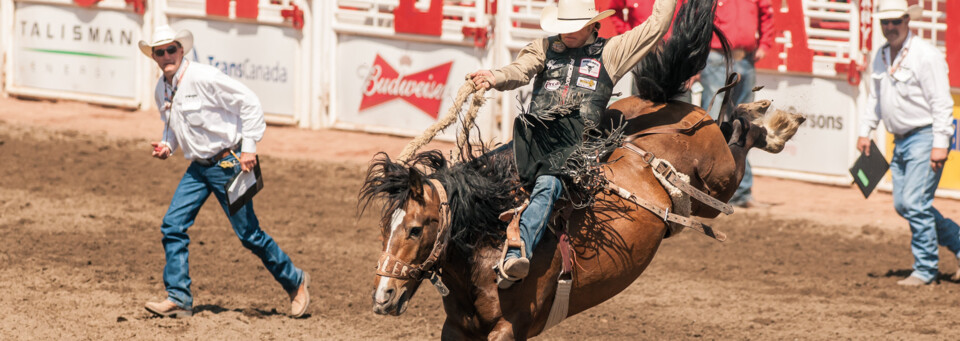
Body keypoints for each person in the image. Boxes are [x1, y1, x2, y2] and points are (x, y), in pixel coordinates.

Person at [468, 0, 677, 288]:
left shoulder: (611, 52)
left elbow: (656, 26)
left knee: (549, 184)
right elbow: (520, 69)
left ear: (593, 25)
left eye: (572, 27)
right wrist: (495, 76)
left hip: (575, 148)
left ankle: (517, 252)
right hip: (533, 139)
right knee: (476, 171)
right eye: (562, 27)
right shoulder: (543, 47)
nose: (565, 33)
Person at [139, 26, 310, 317]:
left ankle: (295, 281)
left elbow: (249, 102)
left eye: (171, 49)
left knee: (249, 235)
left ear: (181, 50)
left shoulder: (204, 77)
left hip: (228, 164)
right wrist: (168, 146)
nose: (166, 55)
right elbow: (173, 130)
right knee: (172, 225)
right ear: (154, 57)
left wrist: (250, 147)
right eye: (160, 52)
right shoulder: (161, 88)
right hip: (198, 168)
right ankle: (178, 298)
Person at [857, 0, 960, 286]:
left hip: (925, 136)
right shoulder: (882, 55)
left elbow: (941, 103)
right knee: (907, 205)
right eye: (885, 22)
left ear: (907, 21)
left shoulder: (926, 55)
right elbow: (876, 98)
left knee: (913, 203)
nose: (890, 27)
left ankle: (925, 269)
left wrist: (941, 142)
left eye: (895, 21)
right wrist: (866, 130)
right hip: (900, 139)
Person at [698, 0, 774, 208]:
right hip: (717, 58)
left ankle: (740, 191)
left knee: (744, 125)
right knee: (715, 125)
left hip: (743, 58)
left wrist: (765, 43)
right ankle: (709, 189)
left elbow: (766, 12)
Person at [607, 0, 692, 103]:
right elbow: (614, 11)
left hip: (675, 52)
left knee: (680, 104)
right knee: (642, 104)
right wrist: (632, 37)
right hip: (642, 53)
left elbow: (692, 12)